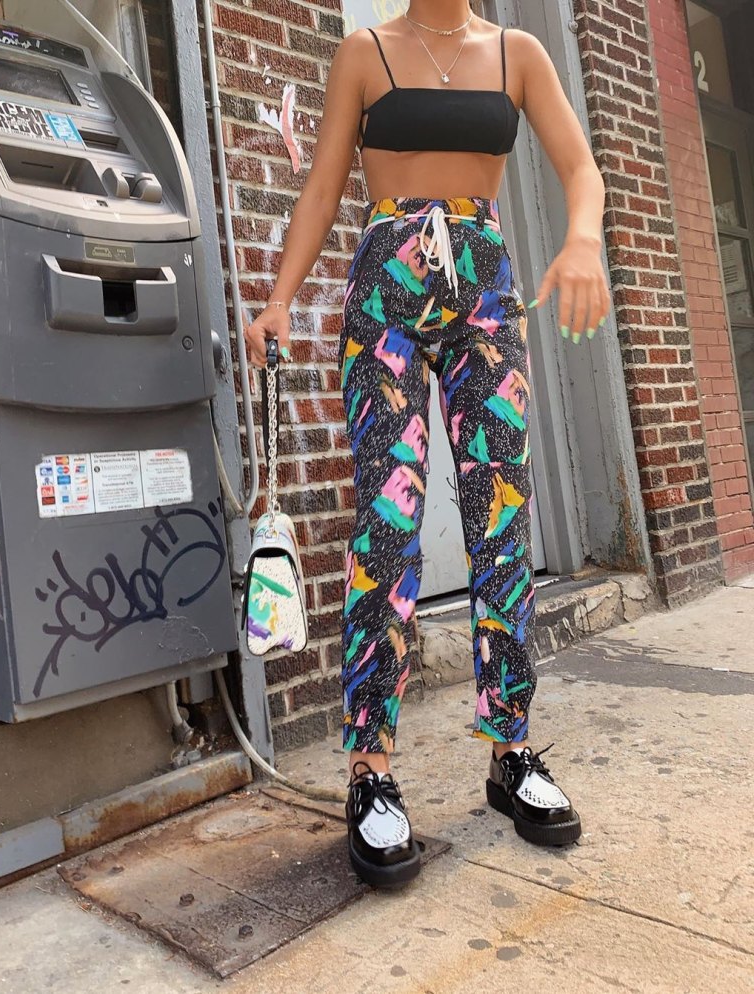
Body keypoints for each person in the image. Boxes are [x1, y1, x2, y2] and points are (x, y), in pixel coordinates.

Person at [244, 1, 611, 889]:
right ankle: (370, 770)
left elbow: (581, 170)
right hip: (384, 297)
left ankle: (511, 752)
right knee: (385, 528)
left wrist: (583, 240)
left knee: (502, 520)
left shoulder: (517, 52)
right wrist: (280, 299)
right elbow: (325, 185)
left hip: (483, 285)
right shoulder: (363, 52)